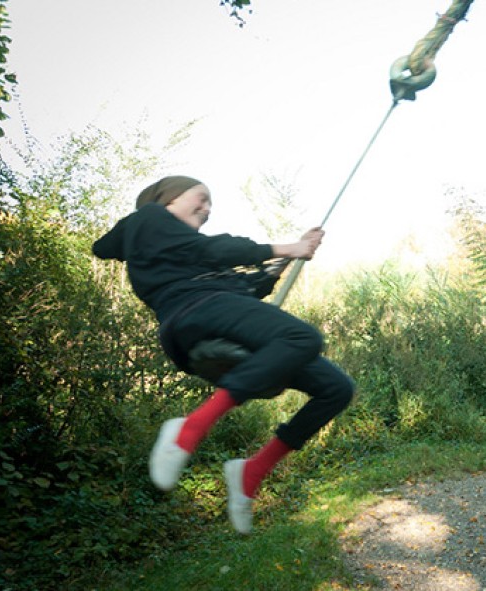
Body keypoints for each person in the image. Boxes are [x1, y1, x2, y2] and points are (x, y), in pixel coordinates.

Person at [92, 175, 354, 534]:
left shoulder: (178, 248)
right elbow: (214, 250)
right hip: (195, 310)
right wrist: (287, 248)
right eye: (200, 198)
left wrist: (275, 269)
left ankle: (252, 472)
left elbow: (238, 283)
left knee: (336, 388)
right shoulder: (150, 219)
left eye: (210, 204)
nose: (207, 208)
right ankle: (190, 427)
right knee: (301, 336)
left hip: (216, 310)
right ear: (168, 198)